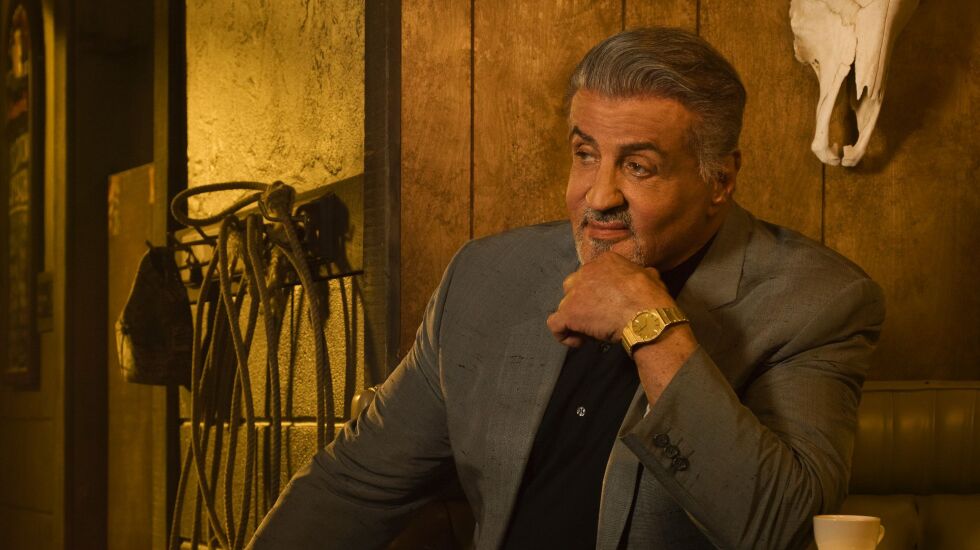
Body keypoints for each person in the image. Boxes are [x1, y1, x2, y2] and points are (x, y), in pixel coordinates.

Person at [248, 27, 885, 550]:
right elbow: (354, 485)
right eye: (585, 155)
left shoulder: (817, 302)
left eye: (638, 167)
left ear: (719, 180)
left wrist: (649, 323)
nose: (598, 197)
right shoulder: (486, 275)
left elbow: (778, 529)